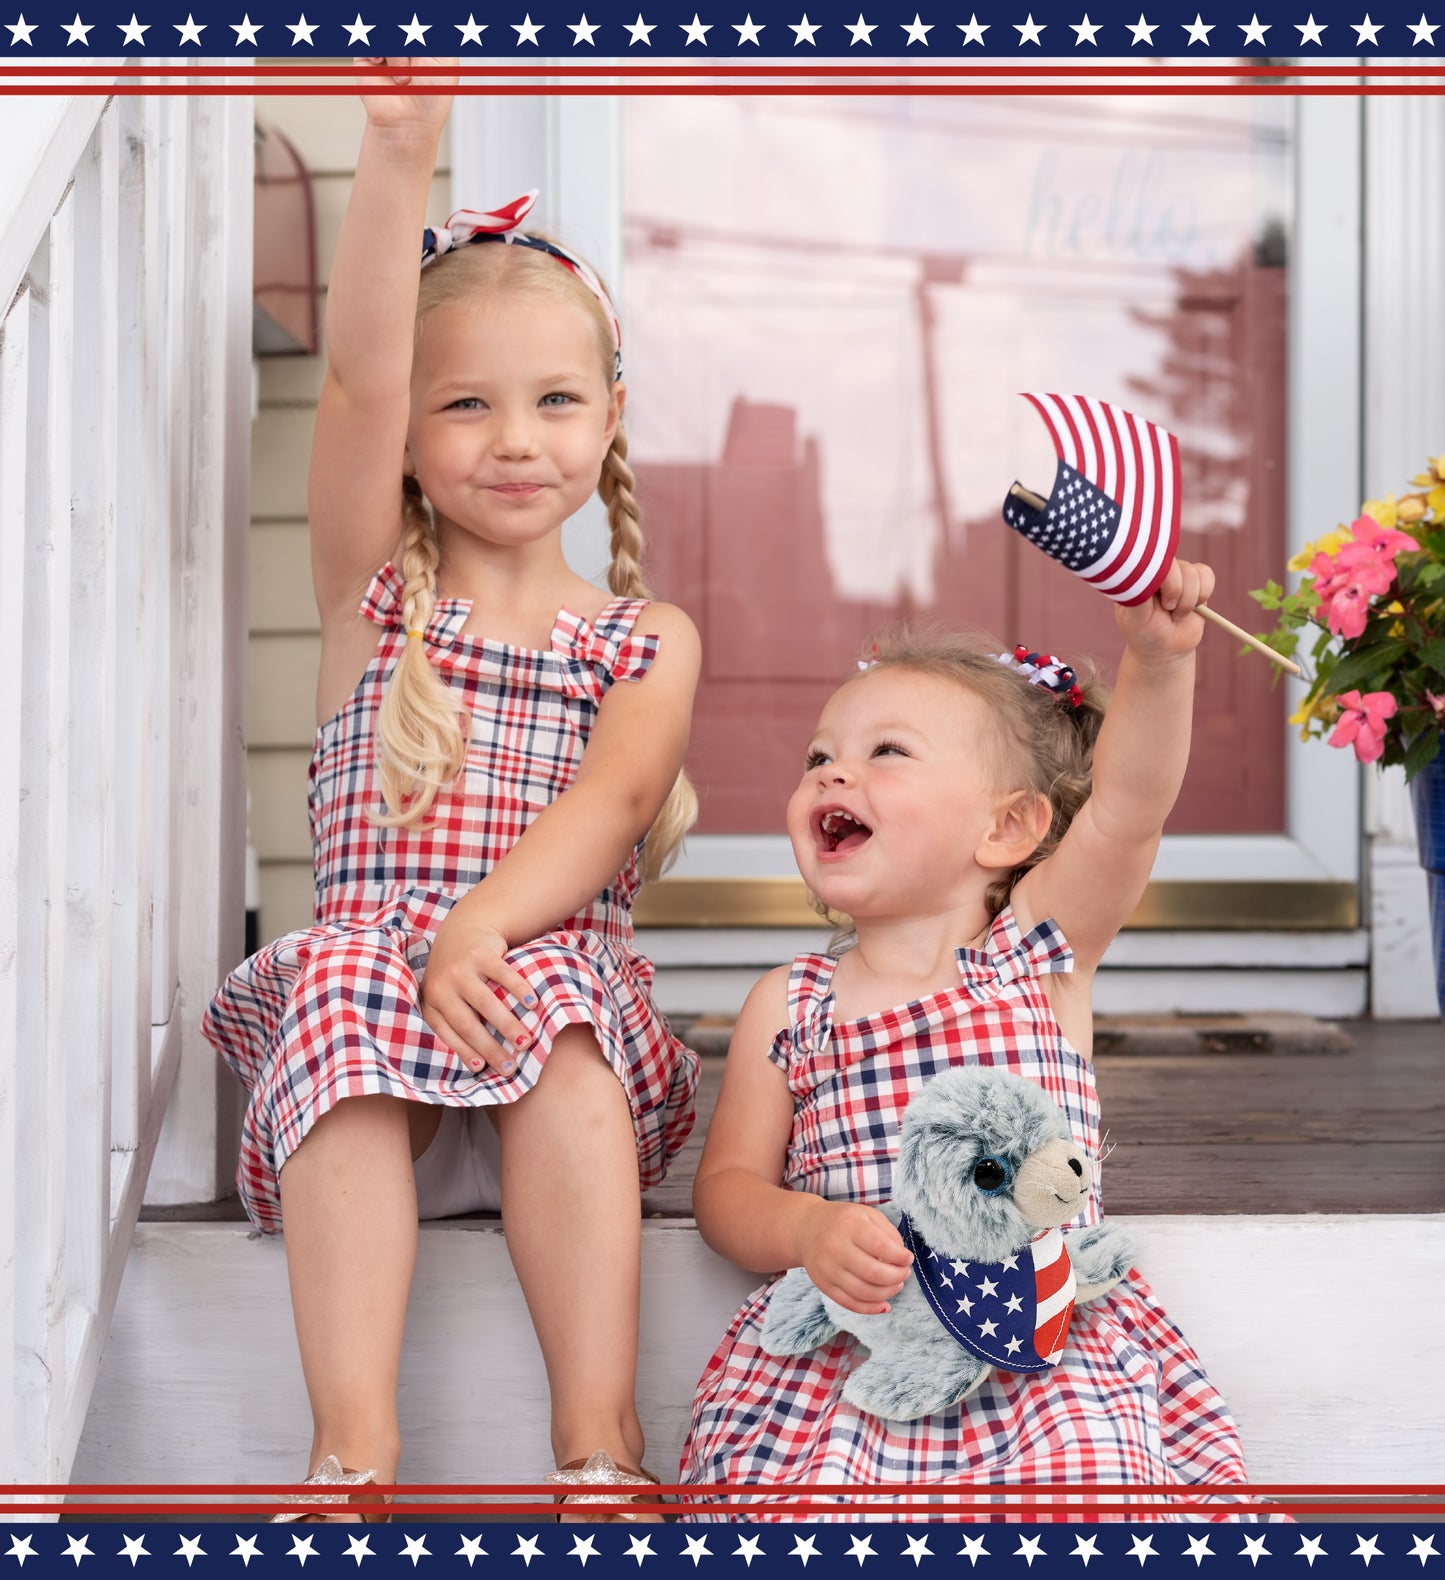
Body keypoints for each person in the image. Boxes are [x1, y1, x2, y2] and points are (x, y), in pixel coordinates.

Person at [204, 60, 700, 1523]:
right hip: (372, 1092)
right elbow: (357, 374)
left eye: (554, 400)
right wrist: (401, 145)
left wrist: (481, 927)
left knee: (558, 1008)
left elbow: (609, 804)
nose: (514, 438)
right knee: (347, 976)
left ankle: (597, 1443)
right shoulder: (374, 598)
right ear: (414, 438)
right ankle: (350, 1457)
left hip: (548, 1054)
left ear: (610, 415)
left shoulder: (641, 637)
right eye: (465, 405)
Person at [681, 559, 1254, 1521]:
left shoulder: (1036, 955)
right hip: (862, 1361)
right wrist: (806, 1230)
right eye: (818, 757)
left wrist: (1158, 664)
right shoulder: (791, 1003)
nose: (831, 772)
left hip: (1043, 1353)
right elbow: (727, 1191)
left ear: (1008, 827)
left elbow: (1127, 810)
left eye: (887, 752)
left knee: (1083, 1495)